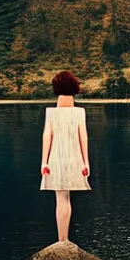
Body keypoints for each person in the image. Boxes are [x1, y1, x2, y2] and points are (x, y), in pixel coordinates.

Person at [40, 71, 91, 242]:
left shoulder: (51, 114)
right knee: (66, 199)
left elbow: (47, 136)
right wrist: (86, 162)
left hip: (55, 158)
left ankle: (62, 239)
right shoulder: (79, 113)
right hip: (74, 158)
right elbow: (83, 136)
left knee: (61, 198)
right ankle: (65, 240)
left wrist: (44, 161)